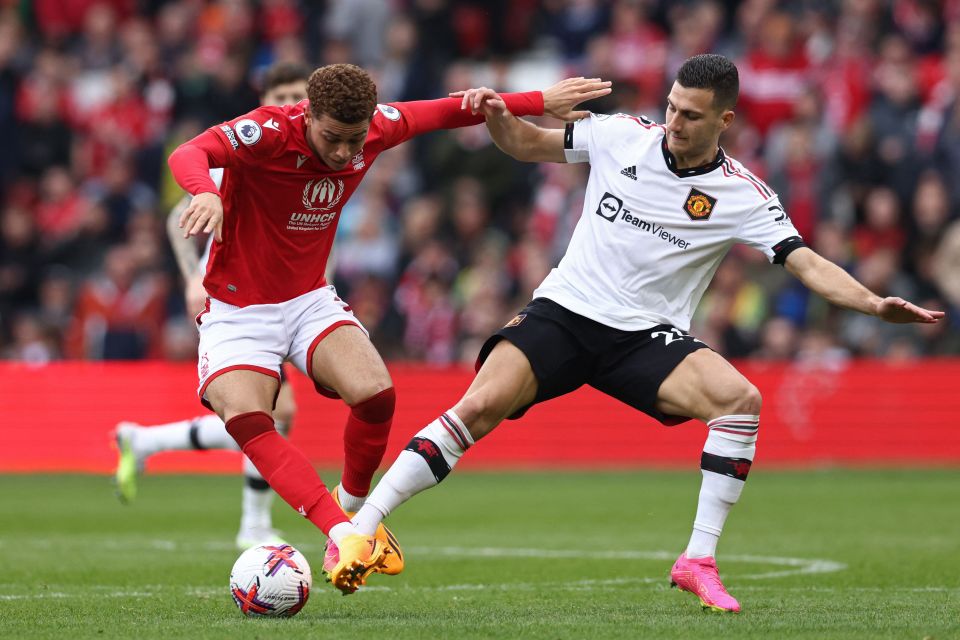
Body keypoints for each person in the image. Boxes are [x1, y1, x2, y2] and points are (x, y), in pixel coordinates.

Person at [339, 54, 945, 611]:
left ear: (725, 120)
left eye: (691, 115)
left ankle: (697, 559)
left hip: (643, 337)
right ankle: (363, 529)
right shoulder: (621, 134)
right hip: (566, 309)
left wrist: (871, 302)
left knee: (741, 402)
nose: (675, 122)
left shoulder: (742, 194)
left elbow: (805, 261)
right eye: (673, 107)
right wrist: (499, 116)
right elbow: (526, 145)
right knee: (481, 404)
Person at [167, 62, 610, 594]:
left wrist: (538, 100)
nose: (340, 152)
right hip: (236, 309)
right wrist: (205, 190)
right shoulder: (267, 132)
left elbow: (452, 110)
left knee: (376, 395)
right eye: (331, 137)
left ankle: (351, 515)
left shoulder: (375, 127)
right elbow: (187, 153)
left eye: (352, 141)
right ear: (308, 115)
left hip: (306, 298)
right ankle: (344, 532)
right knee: (249, 418)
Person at [114, 62, 310, 550]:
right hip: (233, 298)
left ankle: (145, 442)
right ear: (263, 96)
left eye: (298, 94)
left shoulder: (315, 152)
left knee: (268, 414)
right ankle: (253, 523)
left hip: (281, 294)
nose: (289, 102)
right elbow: (178, 217)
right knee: (273, 410)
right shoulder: (243, 148)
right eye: (280, 93)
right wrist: (190, 279)